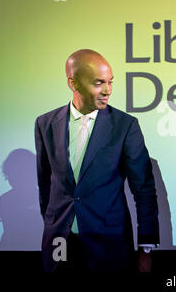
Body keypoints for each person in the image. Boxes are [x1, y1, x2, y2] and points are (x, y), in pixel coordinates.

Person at [35, 49, 159, 272]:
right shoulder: (45, 124)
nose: (108, 90)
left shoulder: (125, 125)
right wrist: (52, 223)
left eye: (110, 82)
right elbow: (45, 183)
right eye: (99, 83)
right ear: (73, 83)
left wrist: (146, 247)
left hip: (109, 241)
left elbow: (144, 189)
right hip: (59, 241)